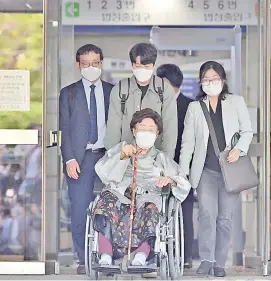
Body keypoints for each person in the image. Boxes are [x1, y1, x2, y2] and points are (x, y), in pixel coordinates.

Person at [179, 61, 253, 277]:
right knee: (207, 214)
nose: (211, 83)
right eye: (206, 80)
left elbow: (247, 131)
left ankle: (219, 263)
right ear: (201, 83)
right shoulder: (195, 108)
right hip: (205, 171)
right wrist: (183, 173)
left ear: (223, 80)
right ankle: (206, 259)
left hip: (231, 171)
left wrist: (238, 150)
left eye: (215, 79)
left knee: (225, 218)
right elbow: (188, 143)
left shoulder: (236, 102)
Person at [92, 108, 191, 266]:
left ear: (157, 134)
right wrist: (122, 156)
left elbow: (184, 182)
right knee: (104, 204)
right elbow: (102, 171)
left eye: (151, 130)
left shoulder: (160, 158)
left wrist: (169, 179)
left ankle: (141, 256)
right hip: (120, 194)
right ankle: (105, 254)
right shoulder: (122, 148)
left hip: (147, 196)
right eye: (142, 129)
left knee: (150, 209)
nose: (146, 133)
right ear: (133, 130)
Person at [59, 44, 113, 274]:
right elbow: (64, 128)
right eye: (85, 64)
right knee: (80, 209)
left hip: (107, 157)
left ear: (101, 63)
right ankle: (83, 259)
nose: (91, 68)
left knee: (108, 209)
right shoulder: (68, 93)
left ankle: (106, 255)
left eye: (95, 63)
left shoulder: (113, 91)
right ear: (78, 65)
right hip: (79, 160)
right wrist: (69, 158)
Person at [104, 43, 177, 158]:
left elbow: (170, 130)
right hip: (126, 156)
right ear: (132, 65)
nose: (142, 70)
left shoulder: (165, 90)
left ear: (154, 65)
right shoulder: (120, 89)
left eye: (147, 66)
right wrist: (118, 157)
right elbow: (113, 130)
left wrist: (165, 162)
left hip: (154, 159)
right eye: (138, 66)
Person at [157, 63, 195, 269]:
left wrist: (184, 170)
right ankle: (161, 253)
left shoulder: (190, 106)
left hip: (182, 168)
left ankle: (185, 255)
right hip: (158, 167)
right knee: (158, 210)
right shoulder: (154, 104)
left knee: (184, 211)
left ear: (175, 85)